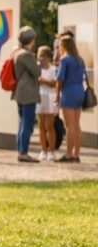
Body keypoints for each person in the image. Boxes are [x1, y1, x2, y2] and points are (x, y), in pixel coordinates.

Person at [11, 26, 41, 163]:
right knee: (27, 124)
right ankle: (23, 153)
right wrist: (39, 61)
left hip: (19, 91)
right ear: (31, 39)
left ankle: (21, 151)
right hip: (27, 91)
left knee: (23, 122)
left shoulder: (16, 52)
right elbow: (37, 72)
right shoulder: (26, 55)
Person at [55, 35, 85, 163]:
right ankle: (76, 154)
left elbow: (60, 78)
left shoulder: (64, 59)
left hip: (68, 91)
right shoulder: (80, 59)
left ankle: (68, 154)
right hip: (80, 91)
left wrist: (57, 95)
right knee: (77, 125)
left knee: (69, 126)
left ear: (63, 46)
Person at [37, 46, 59, 161]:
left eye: (43, 56)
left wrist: (43, 81)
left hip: (50, 97)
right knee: (41, 126)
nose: (41, 59)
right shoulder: (37, 69)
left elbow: (55, 84)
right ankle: (43, 150)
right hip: (40, 97)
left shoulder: (53, 69)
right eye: (39, 56)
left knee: (49, 126)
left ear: (48, 57)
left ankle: (51, 150)